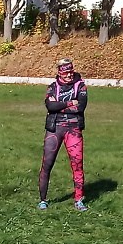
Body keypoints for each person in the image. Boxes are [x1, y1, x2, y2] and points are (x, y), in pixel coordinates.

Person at [38, 58, 88, 212]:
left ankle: (79, 200)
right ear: (59, 73)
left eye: (71, 72)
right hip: (54, 129)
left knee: (77, 165)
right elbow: (50, 106)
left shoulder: (81, 86)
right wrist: (70, 103)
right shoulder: (52, 87)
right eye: (66, 73)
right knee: (47, 164)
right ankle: (43, 200)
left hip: (74, 129)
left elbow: (80, 107)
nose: (69, 75)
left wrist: (59, 105)